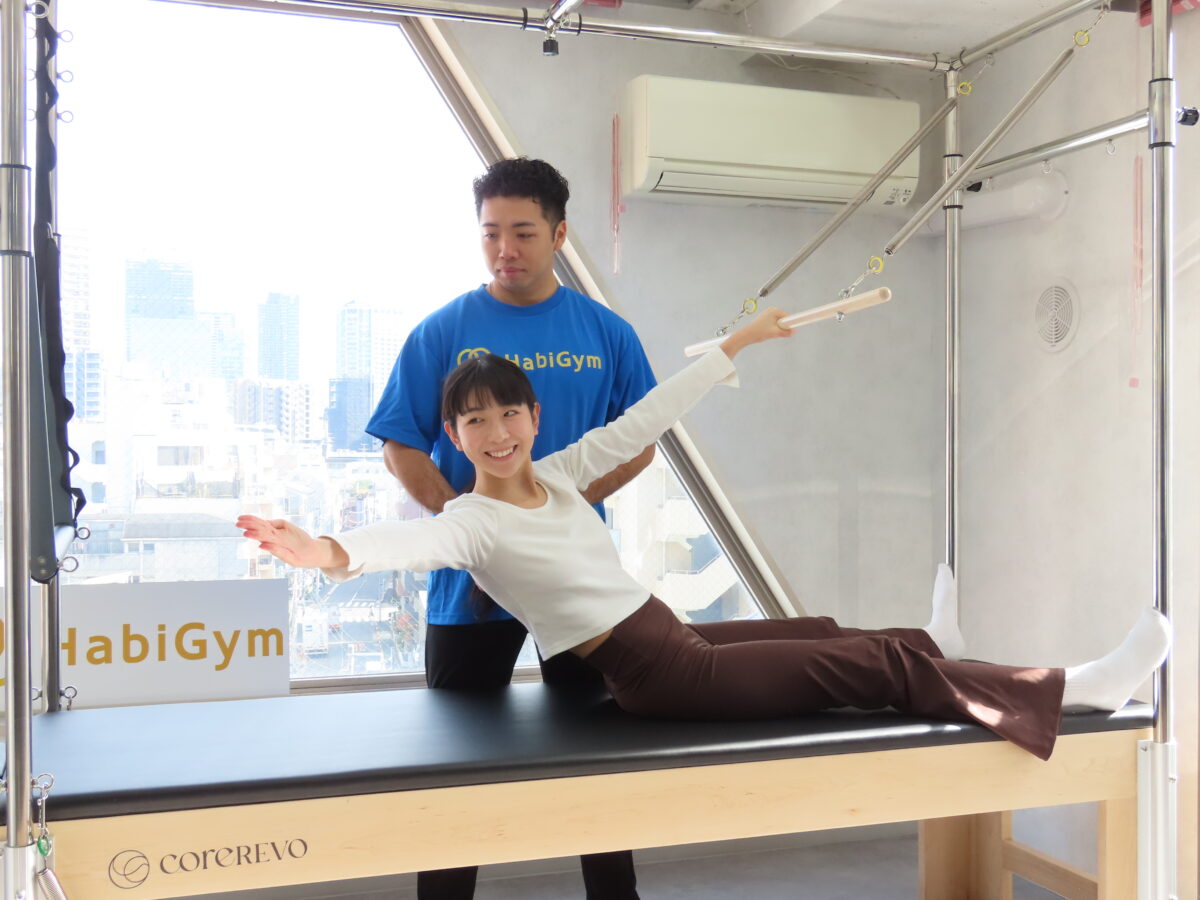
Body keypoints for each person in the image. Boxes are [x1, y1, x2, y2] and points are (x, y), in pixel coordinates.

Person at [241, 308, 1171, 766]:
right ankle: (1073, 691)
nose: (495, 432)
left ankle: (940, 646)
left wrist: (734, 348)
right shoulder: (472, 523)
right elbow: (397, 548)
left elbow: (643, 421)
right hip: (659, 674)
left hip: (671, 635)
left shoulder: (558, 473)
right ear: (453, 435)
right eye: (473, 421)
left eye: (507, 413)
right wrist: (325, 553)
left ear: (532, 416)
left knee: (825, 631)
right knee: (866, 669)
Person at [365, 157, 654, 899]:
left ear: (559, 234)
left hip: (575, 583)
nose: (505, 250)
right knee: (456, 766)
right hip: (469, 587)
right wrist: (472, 526)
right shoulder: (444, 331)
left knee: (597, 761)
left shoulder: (607, 333)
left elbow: (640, 440)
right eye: (491, 233)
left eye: (523, 233)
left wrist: (557, 510)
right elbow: (400, 441)